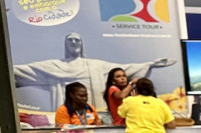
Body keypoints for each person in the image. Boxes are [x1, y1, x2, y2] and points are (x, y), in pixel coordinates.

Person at [13, 32, 175, 116]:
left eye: (77, 40)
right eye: (70, 40)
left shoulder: (95, 65)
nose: (74, 43)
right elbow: (28, 70)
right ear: (65, 45)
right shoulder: (56, 65)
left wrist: (149, 64)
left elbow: (123, 69)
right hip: (68, 113)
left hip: (95, 110)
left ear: (82, 45)